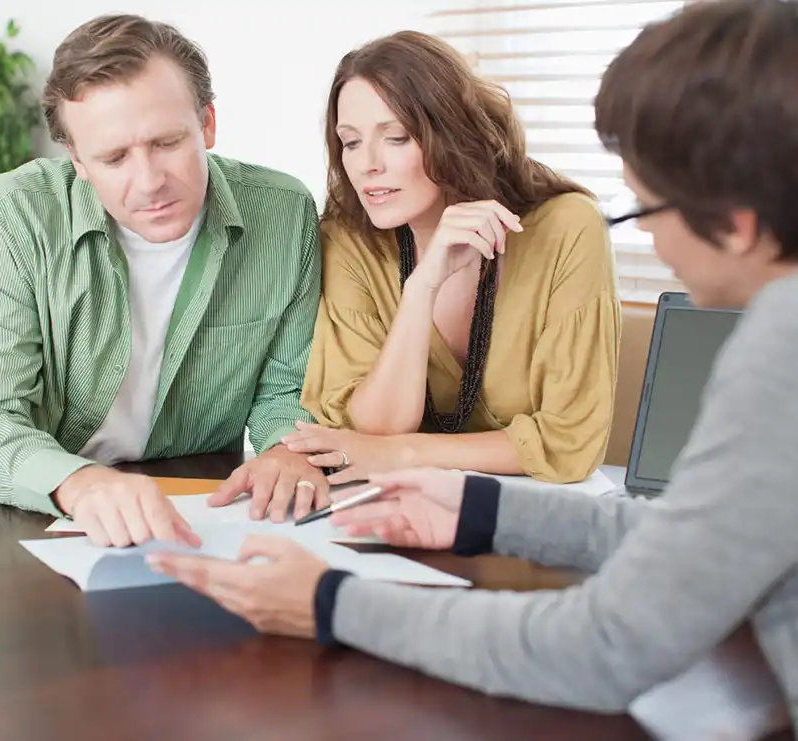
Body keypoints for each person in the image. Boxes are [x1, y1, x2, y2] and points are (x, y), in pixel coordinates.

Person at [148, 0, 798, 726]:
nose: (652, 243)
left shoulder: (780, 350)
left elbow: (603, 645)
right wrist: (483, 509)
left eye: (645, 209)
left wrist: (329, 601)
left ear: (738, 225)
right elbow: (690, 542)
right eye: (352, 140)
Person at [0, 14, 328, 547]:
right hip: (30, 517)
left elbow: (284, 392)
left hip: (201, 516)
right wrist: (79, 482)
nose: (149, 182)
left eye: (166, 142)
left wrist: (285, 452)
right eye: (114, 157)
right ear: (75, 157)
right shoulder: (3, 224)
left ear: (207, 123)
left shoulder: (283, 214)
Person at [282, 31, 620, 486]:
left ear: (452, 134)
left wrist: (408, 453)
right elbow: (366, 430)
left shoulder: (566, 228)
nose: (367, 165)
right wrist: (421, 288)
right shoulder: (349, 238)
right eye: (351, 142)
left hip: (534, 507)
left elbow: (570, 442)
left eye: (396, 137)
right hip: (391, 502)